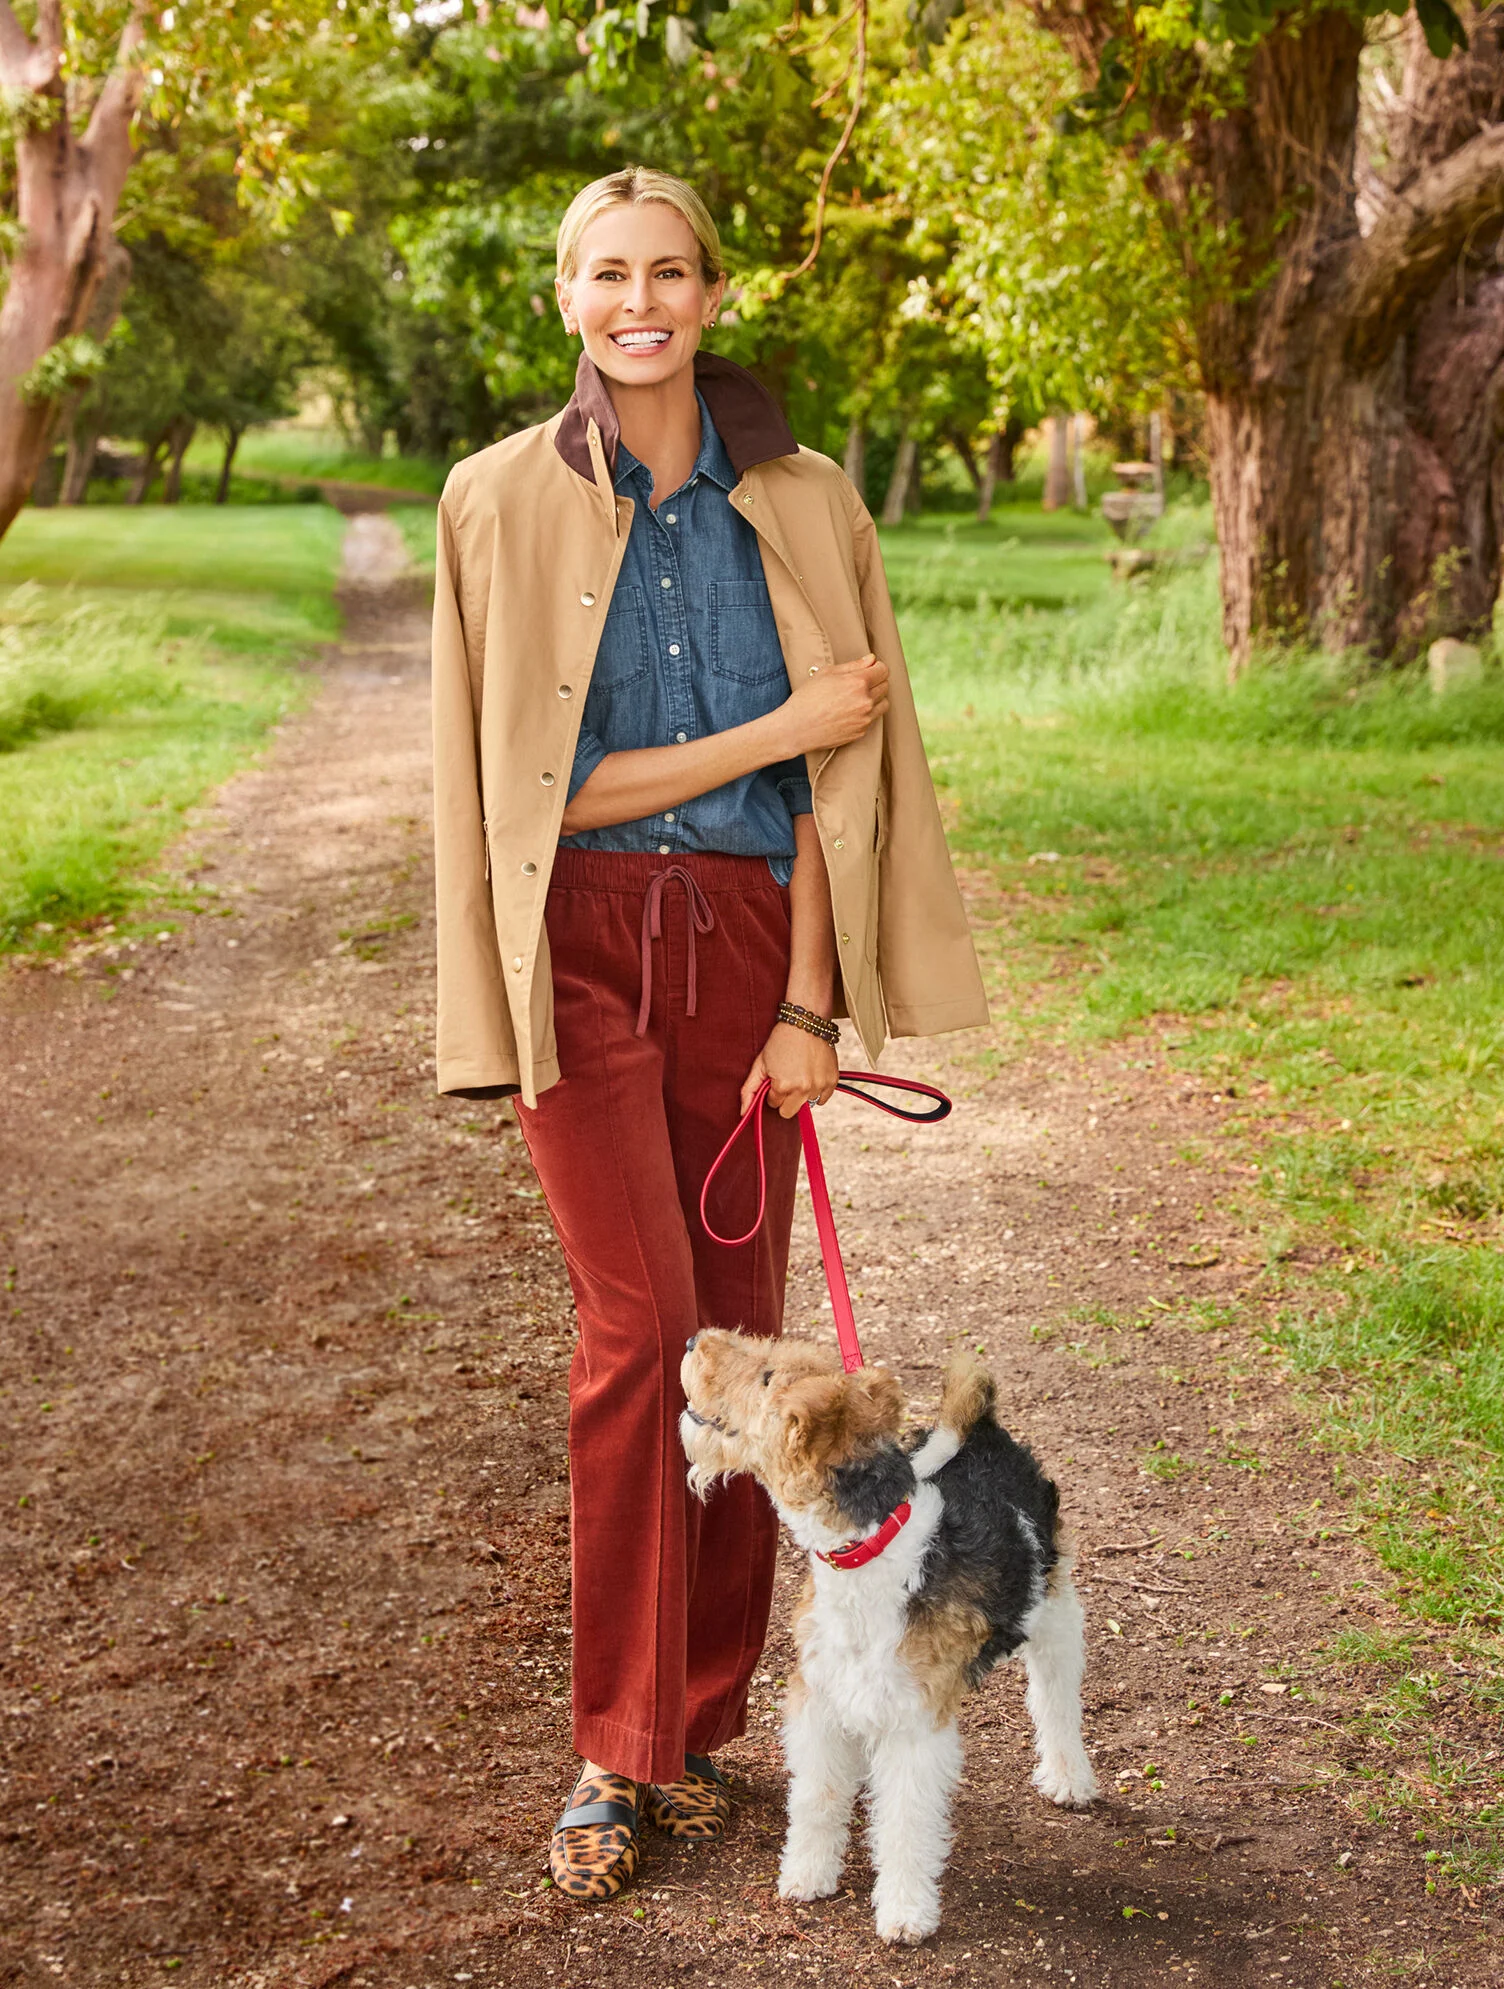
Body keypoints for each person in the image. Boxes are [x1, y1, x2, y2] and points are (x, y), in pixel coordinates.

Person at [430, 167, 988, 1901]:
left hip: (752, 951)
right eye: (609, 274)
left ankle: (702, 1719)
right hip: (579, 945)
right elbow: (546, 786)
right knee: (644, 1335)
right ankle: (616, 1746)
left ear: (714, 292)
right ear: (565, 299)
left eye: (671, 270)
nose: (641, 298)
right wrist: (780, 719)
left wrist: (812, 1005)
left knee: (746, 1348)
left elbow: (831, 787)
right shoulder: (494, 501)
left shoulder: (806, 502)